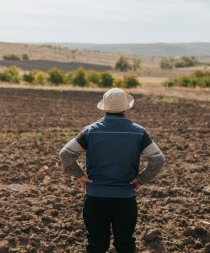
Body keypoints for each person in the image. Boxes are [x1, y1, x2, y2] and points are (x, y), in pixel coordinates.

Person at [59, 88, 165, 253]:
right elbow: (158, 159)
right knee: (125, 245)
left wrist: (80, 175)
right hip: (125, 199)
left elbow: (66, 154)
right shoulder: (138, 132)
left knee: (96, 245)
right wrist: (141, 179)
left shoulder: (90, 131)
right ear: (126, 107)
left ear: (104, 107)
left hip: (95, 198)